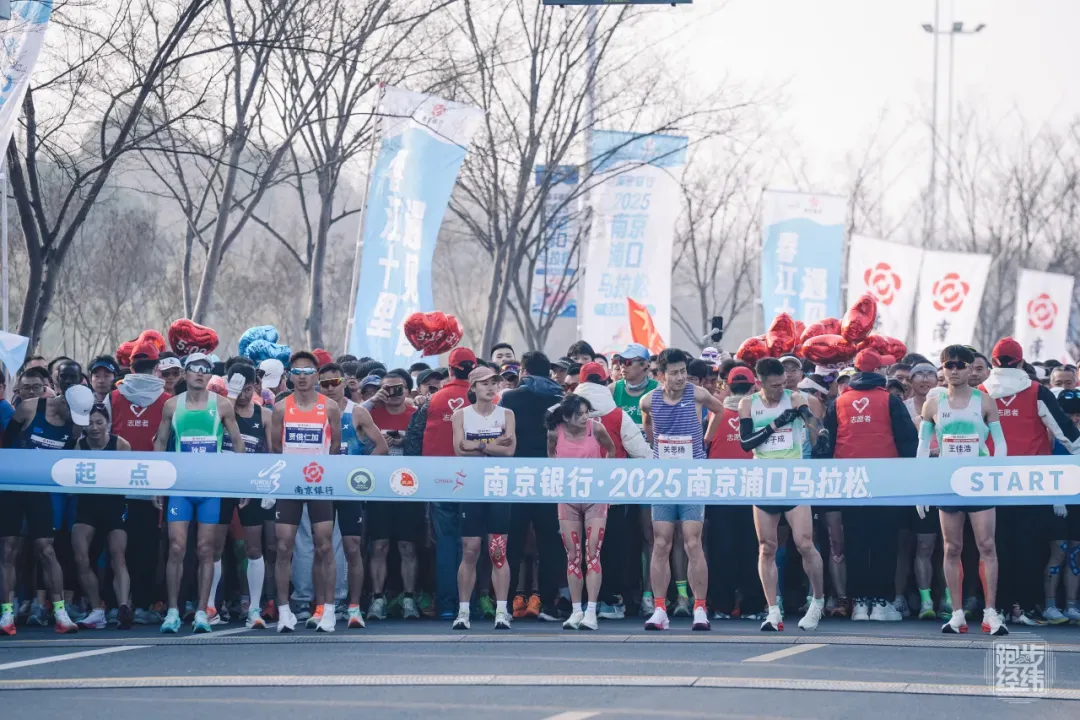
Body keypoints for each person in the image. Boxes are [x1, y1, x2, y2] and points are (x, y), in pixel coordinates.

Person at [979, 339, 1080, 627]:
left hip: (991, 480)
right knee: (1031, 547)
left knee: (996, 547)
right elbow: (1065, 432)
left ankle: (998, 607)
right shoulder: (1037, 390)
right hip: (1033, 481)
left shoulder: (981, 392)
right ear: (1022, 362)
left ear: (993, 362)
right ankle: (1025, 607)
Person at [819, 350, 918, 623]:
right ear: (880, 372)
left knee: (855, 541)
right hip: (887, 480)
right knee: (885, 541)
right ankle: (882, 603)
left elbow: (826, 442)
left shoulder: (839, 402)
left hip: (849, 481)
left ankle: (860, 604)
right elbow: (908, 441)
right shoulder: (890, 400)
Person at [916, 344, 1009, 635]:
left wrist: (997, 475)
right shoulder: (933, 405)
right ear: (942, 369)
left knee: (987, 545)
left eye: (960, 365)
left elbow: (1000, 443)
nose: (954, 371)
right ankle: (956, 613)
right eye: (949, 365)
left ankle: (991, 612)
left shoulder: (985, 401)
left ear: (971, 368)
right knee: (952, 547)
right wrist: (921, 489)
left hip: (979, 482)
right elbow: (923, 448)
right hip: (948, 482)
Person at [153, 353, 245, 634]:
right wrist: (157, 484)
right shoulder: (172, 405)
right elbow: (160, 442)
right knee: (177, 547)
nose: (200, 373)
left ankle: (203, 611)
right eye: (194, 369)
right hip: (180, 487)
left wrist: (241, 483)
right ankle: (172, 611)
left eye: (206, 370)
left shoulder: (222, 405)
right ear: (185, 373)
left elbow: (238, 443)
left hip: (210, 487)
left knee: (206, 549)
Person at [738, 357, 827, 632]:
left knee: (805, 543)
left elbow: (809, 416)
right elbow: (746, 443)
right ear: (759, 383)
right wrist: (775, 424)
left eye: (783, 384)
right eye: (774, 386)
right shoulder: (748, 404)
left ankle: (817, 601)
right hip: (764, 479)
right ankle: (773, 610)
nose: (781, 389)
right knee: (767, 546)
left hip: (793, 478)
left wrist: (820, 430)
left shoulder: (795, 397)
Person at [640, 348, 725, 632]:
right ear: (660, 375)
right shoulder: (649, 400)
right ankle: (660, 609)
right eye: (674, 373)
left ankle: (699, 607)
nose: (680, 377)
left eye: (683, 371)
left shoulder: (697, 394)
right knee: (661, 542)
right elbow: (647, 423)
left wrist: (706, 440)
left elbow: (719, 410)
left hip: (692, 477)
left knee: (692, 542)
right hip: (663, 479)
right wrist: (655, 446)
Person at [1, 361, 87, 634]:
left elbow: (65, 460)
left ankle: (61, 612)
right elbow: (5, 446)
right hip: (13, 487)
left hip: (41, 491)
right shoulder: (30, 408)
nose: (75, 421)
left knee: (46, 550)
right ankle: (6, 613)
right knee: (9, 549)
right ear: (62, 401)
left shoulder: (75, 426)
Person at [271, 351, 342, 633]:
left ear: (316, 376)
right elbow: (275, 448)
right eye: (297, 373)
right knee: (283, 546)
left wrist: (319, 470)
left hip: (319, 483)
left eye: (307, 372)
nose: (302, 378)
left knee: (324, 545)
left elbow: (334, 448)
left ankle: (328, 610)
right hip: (289, 484)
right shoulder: (280, 408)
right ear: (290, 376)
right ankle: (284, 612)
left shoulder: (330, 407)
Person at [574, 361, 650, 620]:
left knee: (581, 548)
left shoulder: (566, 412)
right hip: (613, 493)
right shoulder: (618, 415)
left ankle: (582, 602)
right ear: (606, 382)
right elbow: (641, 453)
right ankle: (610, 600)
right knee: (612, 547)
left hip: (577, 491)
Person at [499, 352, 566, 622]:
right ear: (548, 371)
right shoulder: (560, 399)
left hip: (516, 475)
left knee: (513, 542)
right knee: (549, 542)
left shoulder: (509, 398)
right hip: (549, 476)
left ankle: (505, 604)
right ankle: (548, 604)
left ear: (524, 371)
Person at [452, 365, 517, 630]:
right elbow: (459, 450)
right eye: (485, 383)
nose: (491, 388)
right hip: (471, 487)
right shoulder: (461, 415)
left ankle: (501, 611)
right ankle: (463, 611)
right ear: (473, 387)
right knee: (470, 550)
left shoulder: (507, 414)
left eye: (494, 383)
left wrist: (477, 444)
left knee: (498, 551)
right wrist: (493, 445)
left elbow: (509, 451)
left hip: (499, 487)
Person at [547, 395, 616, 630]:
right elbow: (550, 457)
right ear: (566, 416)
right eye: (579, 414)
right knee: (573, 555)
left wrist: (605, 480)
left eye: (587, 412)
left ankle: (591, 612)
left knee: (593, 553)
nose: (585, 417)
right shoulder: (555, 432)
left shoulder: (596, 429)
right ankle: (576, 611)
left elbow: (611, 450)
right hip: (567, 498)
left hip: (595, 496)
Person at [704, 365, 767, 622]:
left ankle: (721, 605)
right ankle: (753, 606)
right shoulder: (759, 415)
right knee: (753, 550)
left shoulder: (713, 415)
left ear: (728, 387)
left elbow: (704, 448)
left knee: (721, 550)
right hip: (754, 490)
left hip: (720, 492)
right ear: (753, 387)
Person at [68, 402, 133, 630]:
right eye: (89, 423)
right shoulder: (80, 445)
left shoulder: (121, 445)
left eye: (99, 422)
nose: (94, 427)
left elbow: (129, 476)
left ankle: (123, 606)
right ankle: (97, 609)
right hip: (87, 506)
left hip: (114, 505)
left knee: (118, 555)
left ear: (108, 423)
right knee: (81, 557)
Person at [220, 364, 276, 629]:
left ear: (255, 388)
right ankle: (211, 606)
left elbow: (273, 454)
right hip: (221, 484)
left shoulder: (264, 415)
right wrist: (230, 396)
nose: (242, 394)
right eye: (237, 389)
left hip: (252, 487)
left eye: (247, 389)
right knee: (214, 548)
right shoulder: (221, 409)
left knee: (254, 548)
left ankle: (254, 607)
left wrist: (270, 488)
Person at [365, 370, 421, 622]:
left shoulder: (416, 415)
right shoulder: (370, 414)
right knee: (379, 545)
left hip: (410, 489)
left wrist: (404, 442)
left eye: (398, 388)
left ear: (408, 391)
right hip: (378, 489)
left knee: (408, 546)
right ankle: (377, 599)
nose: (393, 393)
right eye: (387, 389)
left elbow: (425, 446)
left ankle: (409, 598)